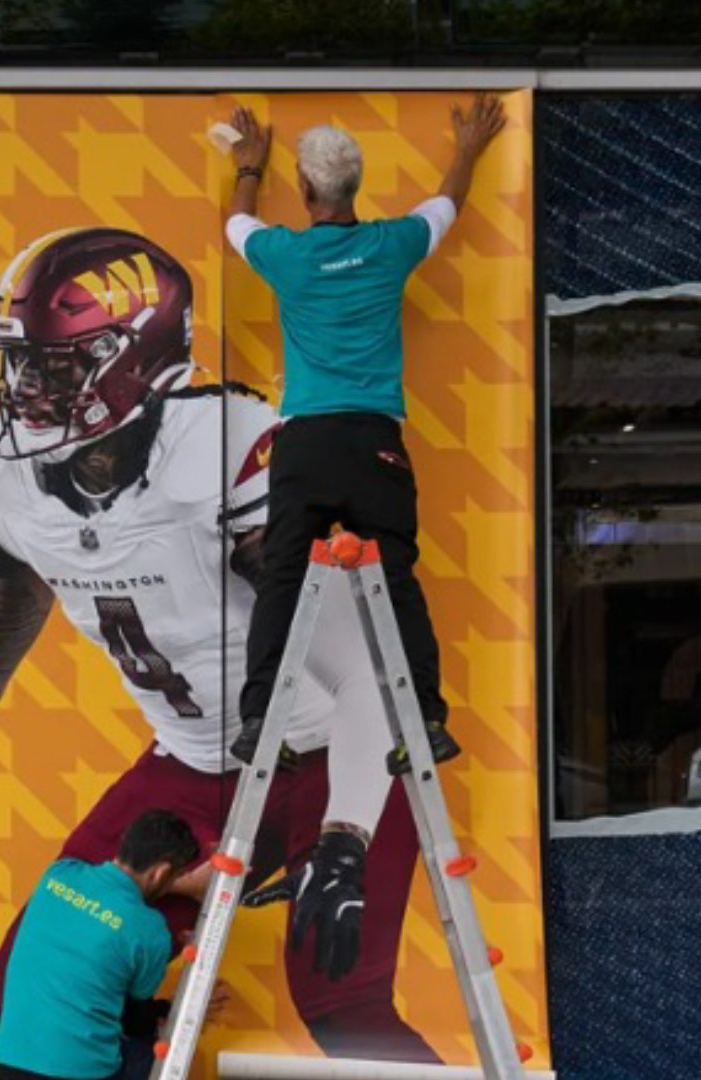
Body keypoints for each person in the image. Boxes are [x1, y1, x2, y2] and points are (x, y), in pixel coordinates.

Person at [0, 226, 441, 1063]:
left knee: (343, 1006)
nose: (24, 388)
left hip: (329, 751)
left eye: (54, 365)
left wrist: (346, 837)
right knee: (19, 990)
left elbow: (363, 674)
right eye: (19, 362)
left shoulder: (226, 449)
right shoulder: (7, 474)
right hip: (195, 758)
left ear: (135, 360)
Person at [224, 95, 508, 781]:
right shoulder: (390, 245)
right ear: (355, 185)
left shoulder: (284, 255)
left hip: (306, 444)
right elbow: (447, 205)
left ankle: (260, 713)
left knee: (282, 578)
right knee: (398, 577)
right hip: (376, 443)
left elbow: (235, 223)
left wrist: (248, 168)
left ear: (306, 188)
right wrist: (468, 146)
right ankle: (428, 723)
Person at [0, 810, 207, 1080]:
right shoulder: (149, 929)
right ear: (161, 872)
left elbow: (109, 891)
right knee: (155, 1053)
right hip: (79, 1074)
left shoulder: (58, 875)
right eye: (176, 875)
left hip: (8, 1063)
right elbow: (136, 1022)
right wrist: (170, 1009)